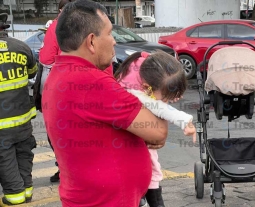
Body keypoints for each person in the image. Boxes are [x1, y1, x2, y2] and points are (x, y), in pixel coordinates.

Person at [42, 1, 168, 206]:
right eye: (109, 33)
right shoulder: (92, 83)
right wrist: (161, 90)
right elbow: (157, 131)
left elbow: (96, 128)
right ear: (91, 41)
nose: (114, 41)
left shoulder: (59, 74)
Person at [115, 51, 196, 207]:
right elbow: (159, 108)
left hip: (135, 129)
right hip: (130, 135)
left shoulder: (151, 68)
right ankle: (154, 202)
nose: (169, 101)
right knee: (151, 167)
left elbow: (159, 103)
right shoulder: (133, 91)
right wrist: (185, 121)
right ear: (148, 88)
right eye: (167, 97)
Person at [0, 13, 38, 205]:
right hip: (23, 119)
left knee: (5, 157)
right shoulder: (21, 47)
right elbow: (33, 72)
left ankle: (14, 196)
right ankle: (27, 191)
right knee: (24, 154)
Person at [38, 0, 75, 183]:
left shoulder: (56, 26)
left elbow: (45, 59)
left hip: (61, 85)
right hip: (89, 86)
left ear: (60, 10)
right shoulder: (93, 22)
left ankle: (65, 169)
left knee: (57, 129)